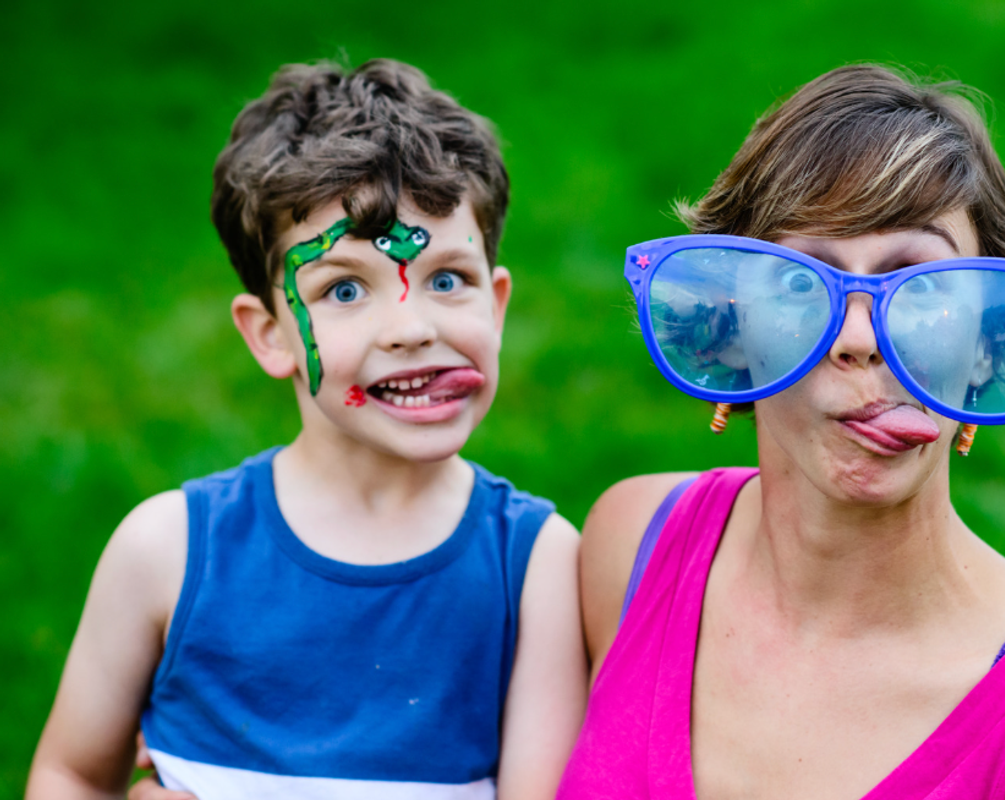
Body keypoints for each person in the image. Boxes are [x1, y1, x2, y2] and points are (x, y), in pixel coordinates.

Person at [558, 65, 1005, 799]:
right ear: (732, 327)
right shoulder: (633, 546)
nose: (860, 336)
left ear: (988, 339)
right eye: (801, 280)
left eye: (922, 282)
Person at [26, 59, 586, 800]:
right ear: (270, 335)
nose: (412, 328)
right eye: (345, 289)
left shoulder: (538, 569)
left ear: (498, 303)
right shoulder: (166, 552)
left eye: (449, 280)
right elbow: (70, 775)